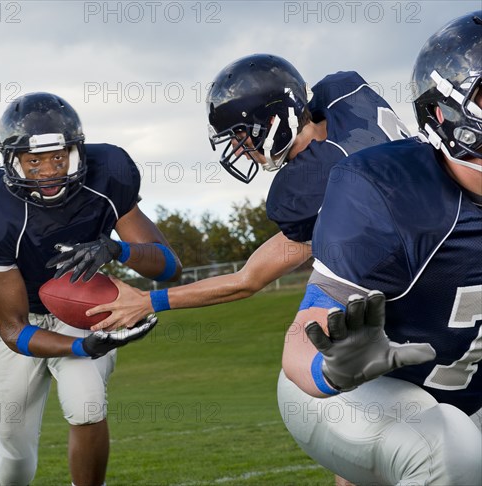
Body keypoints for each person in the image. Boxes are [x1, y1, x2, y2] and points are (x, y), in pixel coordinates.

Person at [279, 11, 481, 485]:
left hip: (467, 396)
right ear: (445, 113)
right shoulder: (388, 192)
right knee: (445, 451)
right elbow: (301, 338)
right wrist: (331, 368)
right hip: (350, 392)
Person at [84, 53, 409, 330]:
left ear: (274, 121)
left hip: (411, 296)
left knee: (302, 373)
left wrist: (147, 301)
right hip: (449, 227)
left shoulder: (311, 186)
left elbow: (248, 280)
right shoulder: (346, 94)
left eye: (241, 134)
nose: (239, 149)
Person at [0, 92, 182, 486]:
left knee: (87, 405)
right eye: (34, 161)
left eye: (58, 157)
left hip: (81, 310)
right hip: (23, 318)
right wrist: (81, 348)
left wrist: (117, 248)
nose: (48, 171)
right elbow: (13, 330)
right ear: (12, 161)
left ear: (77, 152)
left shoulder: (108, 174)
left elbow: (169, 268)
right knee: (11, 440)